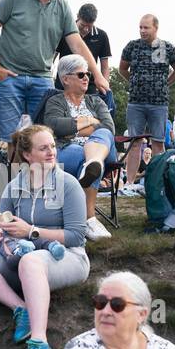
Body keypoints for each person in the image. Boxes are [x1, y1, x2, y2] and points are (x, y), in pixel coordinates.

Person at [0, 124, 90, 349]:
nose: (52, 152)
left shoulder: (68, 184)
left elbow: (76, 236)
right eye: (44, 148)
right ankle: (21, 309)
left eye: (52, 146)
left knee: (31, 261)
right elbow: (4, 224)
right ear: (28, 155)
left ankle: (39, 342)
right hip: (21, 256)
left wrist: (32, 231)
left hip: (68, 257)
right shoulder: (13, 186)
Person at [0, 0, 98, 152]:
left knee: (44, 136)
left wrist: (99, 76)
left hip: (42, 78)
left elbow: (76, 43)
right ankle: (15, 181)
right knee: (13, 139)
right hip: (10, 77)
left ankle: (41, 181)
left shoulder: (62, 6)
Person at [40, 53, 116, 239]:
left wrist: (73, 128)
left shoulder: (96, 101)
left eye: (88, 74)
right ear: (65, 79)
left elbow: (107, 127)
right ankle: (89, 220)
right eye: (81, 74)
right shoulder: (55, 101)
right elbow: (53, 126)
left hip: (102, 149)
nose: (87, 78)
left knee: (102, 137)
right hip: (68, 151)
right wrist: (89, 121)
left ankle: (93, 163)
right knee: (84, 157)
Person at [118, 14, 175, 191]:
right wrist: (133, 82)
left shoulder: (166, 47)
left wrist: (165, 83)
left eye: (146, 27)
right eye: (140, 27)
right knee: (134, 142)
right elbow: (122, 68)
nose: (142, 30)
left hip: (158, 103)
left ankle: (158, 183)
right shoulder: (132, 46)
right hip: (136, 102)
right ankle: (130, 183)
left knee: (158, 142)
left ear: (156, 28)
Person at [56, 3, 115, 113]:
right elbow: (53, 56)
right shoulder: (64, 31)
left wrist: (104, 85)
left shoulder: (101, 36)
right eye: (82, 25)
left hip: (89, 87)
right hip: (63, 85)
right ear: (77, 16)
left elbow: (105, 66)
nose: (86, 29)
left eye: (90, 26)